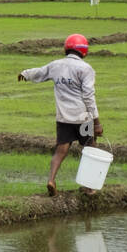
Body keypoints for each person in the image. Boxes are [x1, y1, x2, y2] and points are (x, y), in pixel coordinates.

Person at [17, 33, 103, 196]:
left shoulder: (56, 65)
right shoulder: (86, 69)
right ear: (84, 51)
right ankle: (88, 186)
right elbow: (88, 96)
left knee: (61, 150)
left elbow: (39, 72)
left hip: (63, 118)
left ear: (66, 49)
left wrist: (25, 73)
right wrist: (97, 122)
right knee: (90, 148)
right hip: (83, 119)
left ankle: (51, 179)